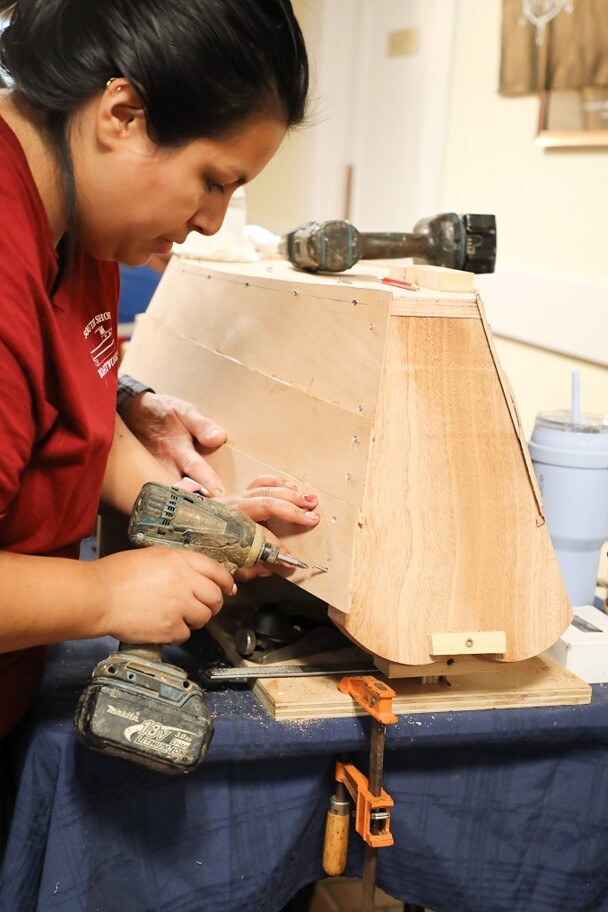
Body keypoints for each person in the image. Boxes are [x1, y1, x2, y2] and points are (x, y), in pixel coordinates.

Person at [0, 0, 317, 741]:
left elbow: (73, 411)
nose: (213, 220)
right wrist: (102, 594)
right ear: (123, 112)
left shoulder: (83, 223)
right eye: (213, 179)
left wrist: (193, 520)